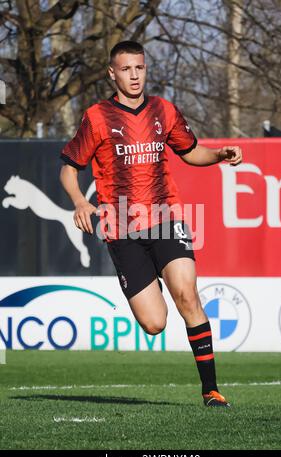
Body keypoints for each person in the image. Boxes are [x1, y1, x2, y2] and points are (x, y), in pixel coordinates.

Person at [59, 40, 243, 407]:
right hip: (123, 228)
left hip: (165, 217)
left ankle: (211, 390)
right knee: (155, 323)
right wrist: (80, 201)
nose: (134, 75)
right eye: (126, 69)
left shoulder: (163, 110)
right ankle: (147, 277)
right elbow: (68, 169)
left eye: (139, 68)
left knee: (188, 296)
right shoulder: (97, 117)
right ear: (112, 73)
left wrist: (220, 154)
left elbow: (191, 152)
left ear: (145, 68)